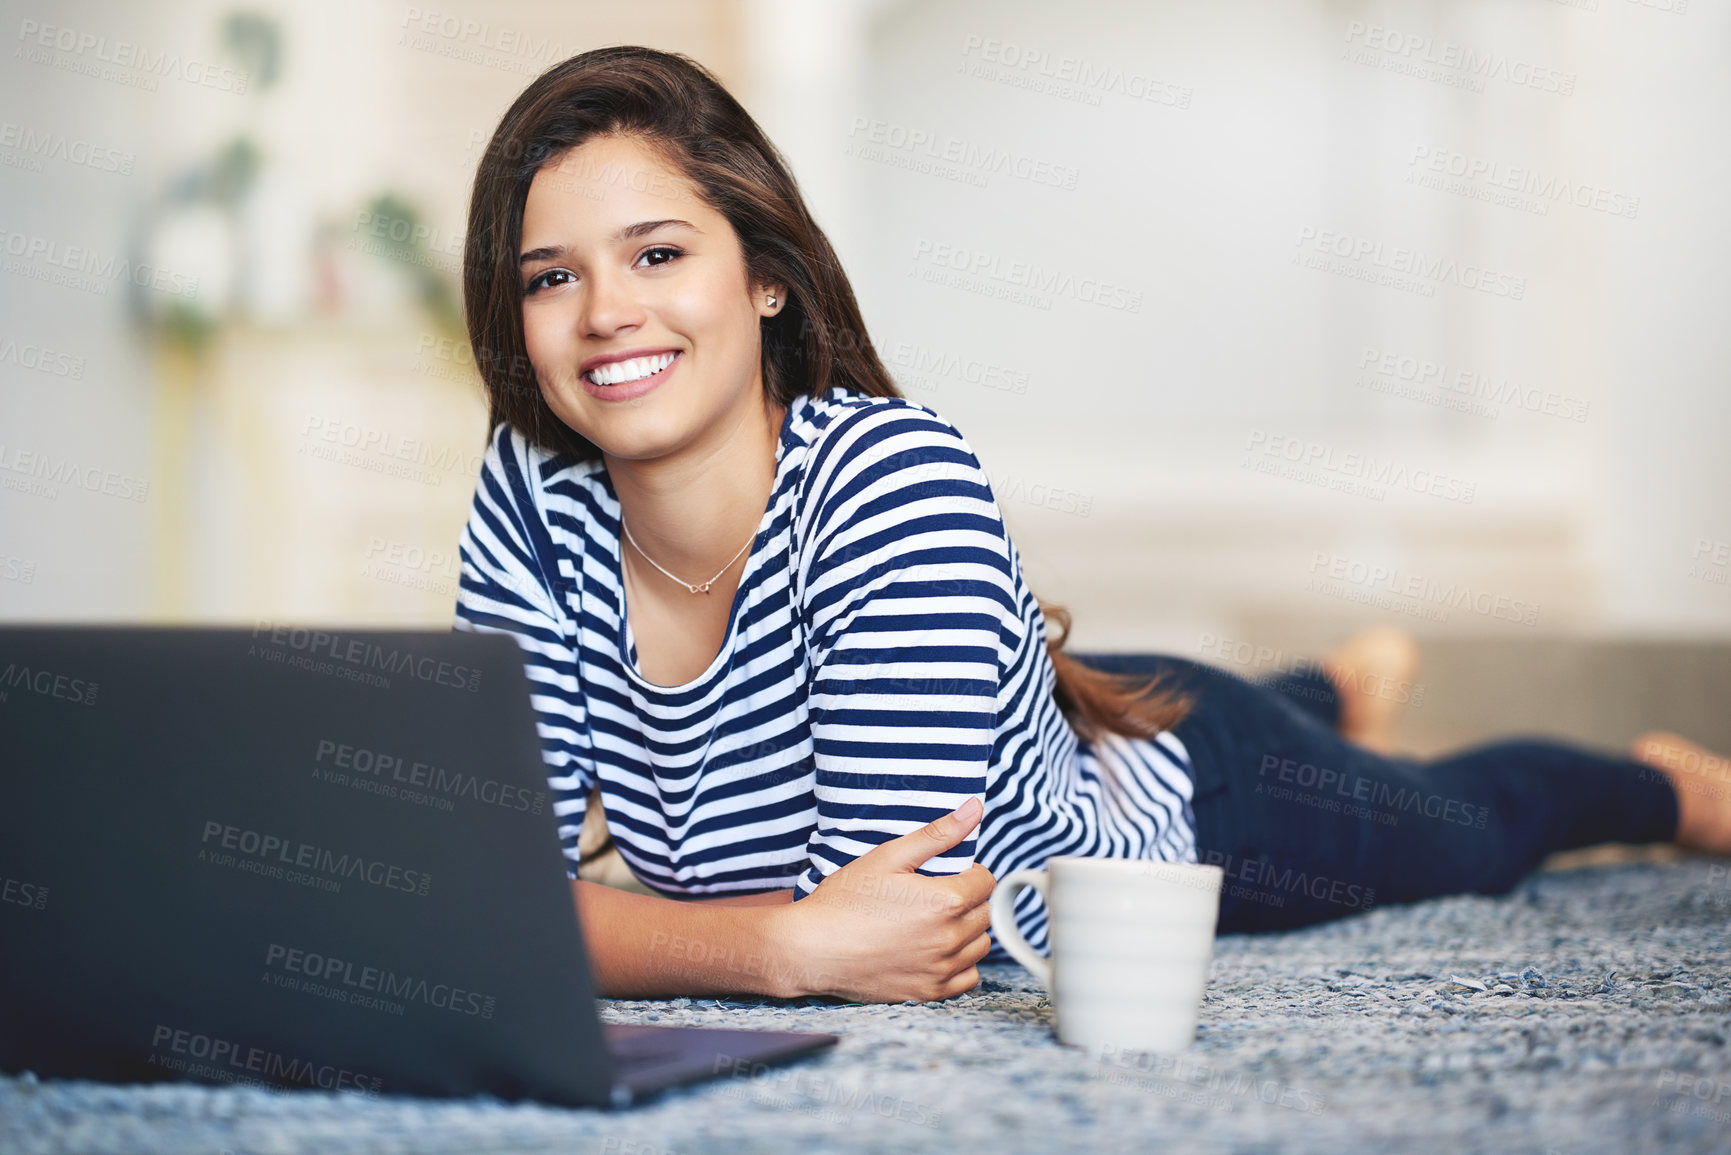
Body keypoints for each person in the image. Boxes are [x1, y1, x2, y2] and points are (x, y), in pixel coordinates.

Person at [451, 46, 1731, 1005]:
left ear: (766, 277)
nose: (606, 310)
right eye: (552, 277)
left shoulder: (893, 481)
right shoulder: (528, 495)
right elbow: (500, 897)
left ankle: (1664, 785)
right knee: (1165, 694)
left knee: (1475, 828)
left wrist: (675, 937)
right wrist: (775, 945)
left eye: (658, 254)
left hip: (1194, 791)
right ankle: (1335, 682)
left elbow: (902, 927)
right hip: (1093, 706)